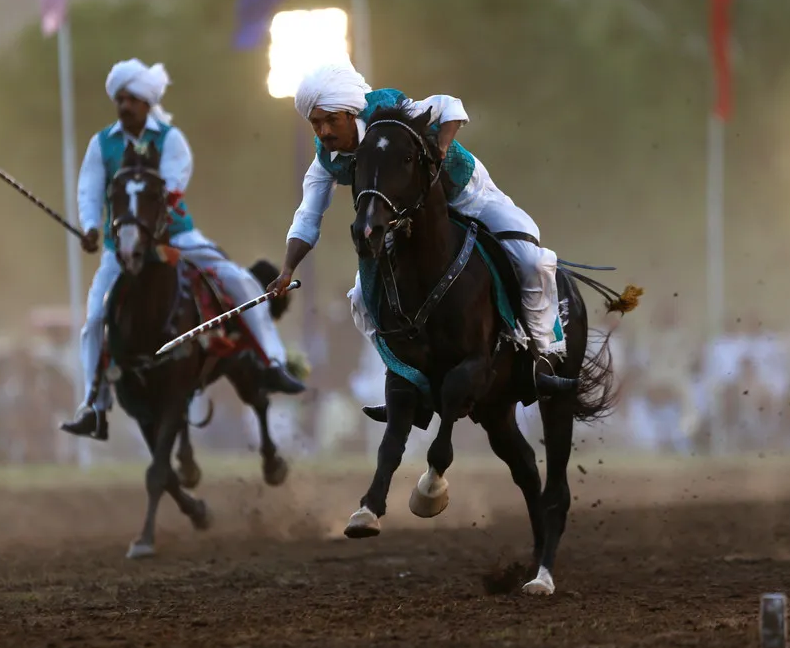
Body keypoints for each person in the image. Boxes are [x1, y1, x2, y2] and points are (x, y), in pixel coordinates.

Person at [267, 62, 564, 418]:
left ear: (351, 112)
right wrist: (287, 268)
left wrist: (440, 147)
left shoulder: (391, 110)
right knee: (362, 298)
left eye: (331, 120)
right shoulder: (325, 160)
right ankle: (406, 379)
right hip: (411, 219)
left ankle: (542, 359)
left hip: (469, 197)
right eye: (315, 123)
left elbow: (451, 106)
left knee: (531, 260)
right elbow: (308, 215)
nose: (324, 131)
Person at [61, 58, 304, 441]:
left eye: (131, 99)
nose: (124, 106)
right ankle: (95, 405)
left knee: (238, 280)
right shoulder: (101, 144)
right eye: (119, 99)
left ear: (146, 103)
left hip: (176, 237)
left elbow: (173, 187)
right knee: (93, 319)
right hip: (121, 248)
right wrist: (91, 228)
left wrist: (151, 234)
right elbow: (90, 191)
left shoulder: (170, 139)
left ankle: (273, 363)